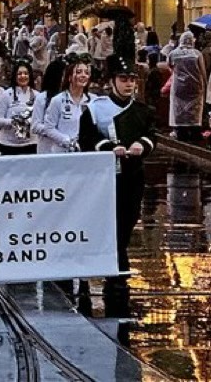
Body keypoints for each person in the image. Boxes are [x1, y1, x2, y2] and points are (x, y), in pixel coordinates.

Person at [78, 51, 156, 300]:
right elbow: (86, 138)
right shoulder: (95, 108)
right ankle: (115, 268)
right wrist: (109, 148)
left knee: (128, 219)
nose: (129, 84)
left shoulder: (143, 110)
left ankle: (118, 261)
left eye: (132, 79)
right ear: (112, 81)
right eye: (123, 79)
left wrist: (142, 145)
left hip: (132, 176)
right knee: (108, 223)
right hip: (104, 178)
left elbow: (151, 135)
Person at [38, 56, 91, 154]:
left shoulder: (92, 101)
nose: (83, 75)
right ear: (70, 77)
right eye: (79, 72)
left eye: (86, 73)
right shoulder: (57, 100)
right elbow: (49, 128)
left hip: (85, 154)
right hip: (62, 153)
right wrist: (67, 141)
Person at [168, 31, 206, 142]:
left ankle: (180, 130)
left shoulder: (173, 53)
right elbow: (202, 71)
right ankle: (194, 130)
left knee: (178, 109)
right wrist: (205, 84)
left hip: (179, 87)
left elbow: (169, 66)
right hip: (195, 86)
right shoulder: (197, 54)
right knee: (195, 109)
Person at [0, 59, 37, 156]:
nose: (23, 76)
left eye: (26, 73)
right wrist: (13, 122)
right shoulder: (6, 95)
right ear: (15, 76)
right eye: (19, 74)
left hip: (31, 144)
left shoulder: (37, 96)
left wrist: (29, 122)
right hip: (9, 145)